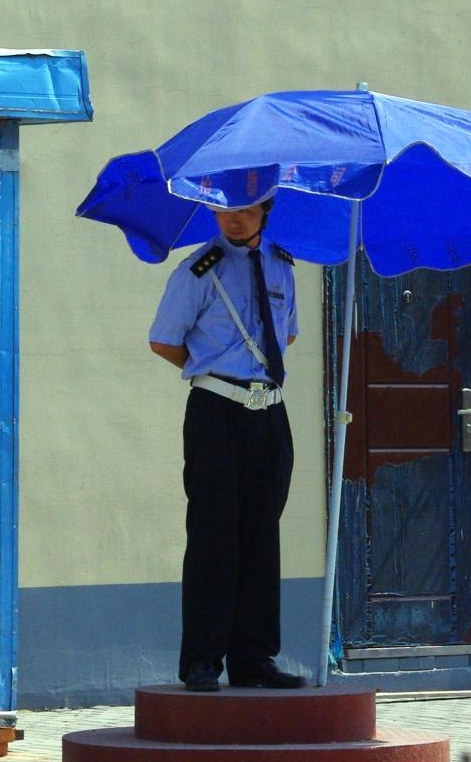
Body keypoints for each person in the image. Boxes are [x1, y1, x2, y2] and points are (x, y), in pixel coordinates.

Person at [148, 192, 306, 692]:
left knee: (262, 534)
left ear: (266, 209)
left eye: (245, 209)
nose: (233, 220)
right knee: (214, 535)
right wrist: (213, 371)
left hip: (270, 411)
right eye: (222, 210)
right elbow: (163, 340)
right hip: (217, 410)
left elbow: (288, 335)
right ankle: (202, 661)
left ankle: (254, 658)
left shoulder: (282, 266)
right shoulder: (198, 270)